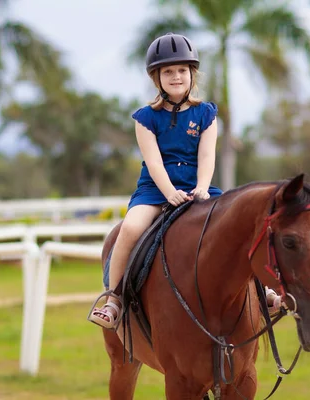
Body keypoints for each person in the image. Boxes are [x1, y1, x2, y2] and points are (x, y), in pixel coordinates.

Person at [88, 32, 222, 329]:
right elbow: (154, 161)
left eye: (182, 71)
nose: (176, 76)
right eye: (168, 71)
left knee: (232, 224)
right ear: (157, 78)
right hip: (155, 189)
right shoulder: (146, 118)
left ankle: (261, 291)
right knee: (131, 228)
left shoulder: (206, 114)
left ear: (192, 74)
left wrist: (201, 187)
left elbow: (207, 155)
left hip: (198, 186)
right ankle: (113, 299)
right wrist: (170, 192)